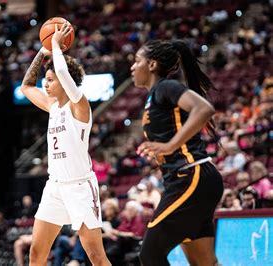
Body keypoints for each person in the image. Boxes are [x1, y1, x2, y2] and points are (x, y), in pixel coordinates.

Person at [20, 22, 110, 266]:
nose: (45, 84)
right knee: (36, 254)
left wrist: (57, 45)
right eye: (46, 80)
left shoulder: (80, 106)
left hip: (80, 188)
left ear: (64, 81)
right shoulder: (52, 107)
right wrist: (43, 51)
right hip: (55, 187)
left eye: (50, 80)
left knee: (97, 258)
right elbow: (26, 86)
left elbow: (61, 70)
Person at [131, 39, 224, 265]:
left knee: (150, 254)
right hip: (186, 179)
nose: (132, 67)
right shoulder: (153, 98)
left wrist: (170, 145)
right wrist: (161, 151)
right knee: (205, 263)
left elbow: (204, 109)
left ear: (152, 65)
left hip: (191, 176)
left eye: (136, 61)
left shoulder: (165, 87)